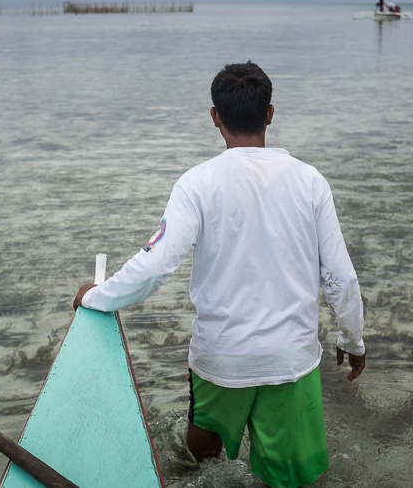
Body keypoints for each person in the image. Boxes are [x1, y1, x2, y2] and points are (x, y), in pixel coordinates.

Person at [73, 61, 365, 488]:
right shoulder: (310, 182)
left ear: (215, 116)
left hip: (221, 358)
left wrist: (96, 296)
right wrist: (352, 338)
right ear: (269, 113)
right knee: (290, 481)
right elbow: (341, 276)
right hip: (290, 359)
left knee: (204, 461)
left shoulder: (197, 183)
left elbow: (156, 264)